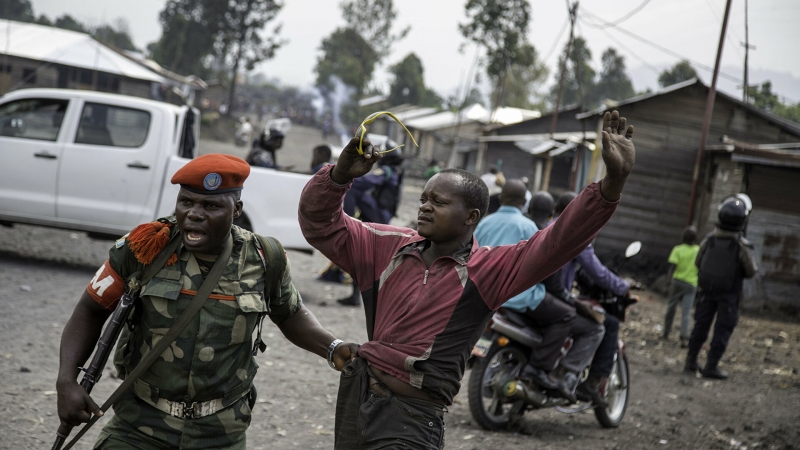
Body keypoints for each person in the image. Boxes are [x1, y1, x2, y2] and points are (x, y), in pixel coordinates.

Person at [298, 110, 635, 448]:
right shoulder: (387, 246)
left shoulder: (486, 270)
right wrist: (339, 177)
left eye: (438, 202)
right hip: (356, 401)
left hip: (411, 420)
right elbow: (320, 225)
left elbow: (558, 240)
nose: (424, 207)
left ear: (471, 217)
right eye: (424, 199)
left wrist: (612, 183)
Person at [56, 154, 359, 449]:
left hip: (220, 433)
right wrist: (66, 381)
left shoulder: (264, 258)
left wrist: (333, 347)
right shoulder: (145, 247)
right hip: (138, 426)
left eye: (211, 206)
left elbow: (290, 314)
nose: (194, 214)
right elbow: (90, 309)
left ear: (236, 209)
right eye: (186, 202)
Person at [474, 180, 604, 404]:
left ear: (501, 198)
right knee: (566, 315)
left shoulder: (484, 222)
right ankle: (538, 369)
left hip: (484, 293)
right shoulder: (529, 228)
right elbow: (545, 269)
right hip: (519, 296)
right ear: (524, 203)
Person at [554, 191, 630, 407]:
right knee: (603, 325)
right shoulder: (577, 234)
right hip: (555, 298)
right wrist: (623, 286)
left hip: (536, 294)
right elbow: (597, 272)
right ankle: (578, 380)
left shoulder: (543, 227)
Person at [684, 197, 757, 379]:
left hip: (706, 292)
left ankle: (690, 362)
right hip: (729, 295)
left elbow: (698, 262)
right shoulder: (741, 246)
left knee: (700, 326)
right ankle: (711, 366)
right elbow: (751, 271)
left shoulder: (709, 239)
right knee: (722, 330)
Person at [337, 147, 406, 307]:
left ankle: (345, 220)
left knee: (352, 187)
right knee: (361, 255)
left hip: (379, 214)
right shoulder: (396, 171)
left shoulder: (387, 171)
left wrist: (347, 174)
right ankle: (356, 296)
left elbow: (365, 181)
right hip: (380, 214)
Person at [662, 226, 700, 348]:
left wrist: (668, 282)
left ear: (683, 237)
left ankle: (666, 332)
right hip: (691, 284)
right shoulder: (698, 250)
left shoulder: (677, 249)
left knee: (671, 307)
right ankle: (684, 338)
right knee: (686, 311)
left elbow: (672, 267)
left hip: (677, 282)